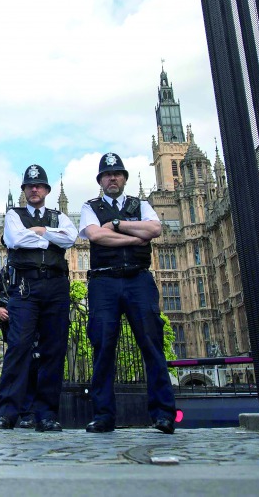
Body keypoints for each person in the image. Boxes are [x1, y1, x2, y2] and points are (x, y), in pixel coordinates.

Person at [79, 152, 177, 434]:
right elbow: (96, 236)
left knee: (151, 344)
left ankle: (163, 414)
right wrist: (137, 236)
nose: (112, 178)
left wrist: (118, 225)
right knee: (103, 347)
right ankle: (103, 415)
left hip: (138, 279)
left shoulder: (141, 204)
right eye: (107, 174)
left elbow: (156, 228)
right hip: (104, 282)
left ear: (124, 178)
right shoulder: (90, 207)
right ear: (100, 180)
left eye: (117, 173)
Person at [0, 164, 78, 432]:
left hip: (56, 286)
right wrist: (49, 237)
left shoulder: (59, 215)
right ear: (24, 190)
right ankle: (7, 413)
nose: (35, 189)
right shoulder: (13, 216)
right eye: (30, 185)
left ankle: (47, 415)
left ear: (47, 190)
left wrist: (40, 233)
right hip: (25, 288)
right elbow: (15, 240)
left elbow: (71, 239)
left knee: (53, 350)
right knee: (18, 348)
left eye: (39, 185)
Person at [0, 267, 39, 429]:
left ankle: (35, 414)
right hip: (15, 332)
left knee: (36, 369)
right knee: (19, 369)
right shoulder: (6, 274)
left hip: (39, 330)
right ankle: (21, 414)